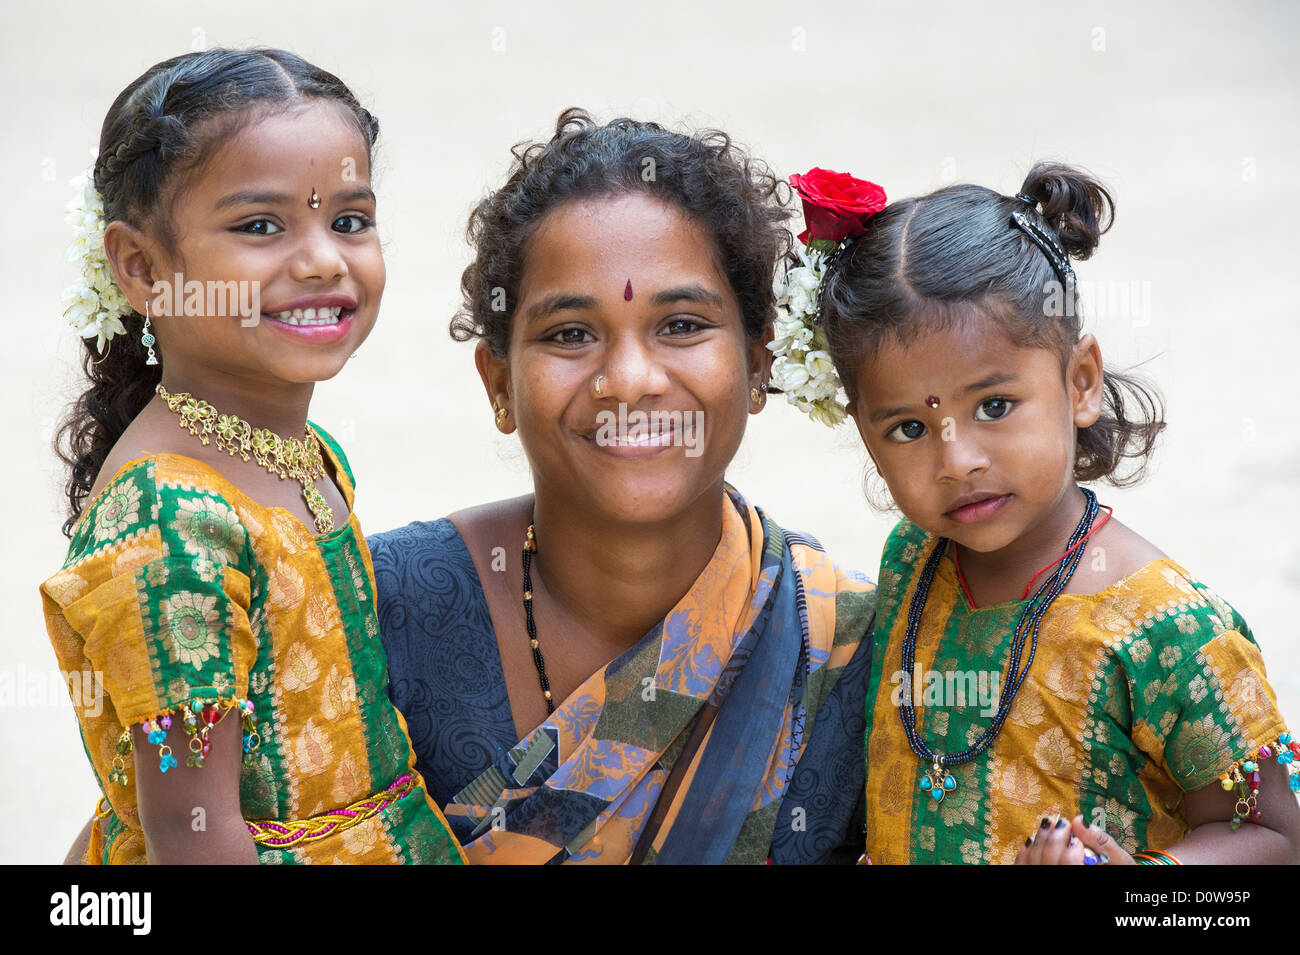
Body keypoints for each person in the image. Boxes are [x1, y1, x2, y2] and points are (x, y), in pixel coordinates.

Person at [369, 109, 877, 864]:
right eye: (570, 334)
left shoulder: (845, 651)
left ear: (759, 360)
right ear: (499, 383)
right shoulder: (378, 610)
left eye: (680, 325)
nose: (630, 381)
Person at [776, 163, 1300, 864]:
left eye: (994, 406)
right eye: (907, 427)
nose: (956, 459)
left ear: (1079, 381)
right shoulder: (913, 556)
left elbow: (1273, 834)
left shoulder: (1167, 627)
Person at [41, 48, 463, 864]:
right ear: (140, 266)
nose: (321, 259)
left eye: (349, 219)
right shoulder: (170, 526)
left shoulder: (297, 449)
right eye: (260, 226)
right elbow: (188, 829)